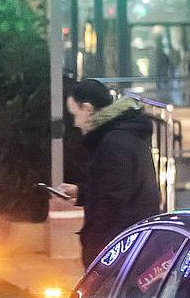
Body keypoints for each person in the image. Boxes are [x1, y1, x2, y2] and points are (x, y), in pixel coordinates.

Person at [63, 78, 163, 265]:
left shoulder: (113, 143)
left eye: (74, 114)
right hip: (132, 246)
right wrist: (82, 193)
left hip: (119, 253)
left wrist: (97, 255)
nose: (75, 123)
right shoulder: (123, 134)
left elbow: (113, 204)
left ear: (87, 108)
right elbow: (118, 187)